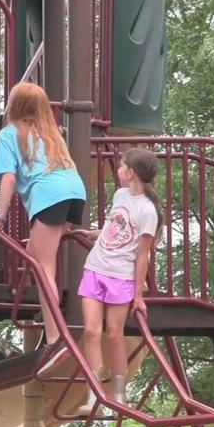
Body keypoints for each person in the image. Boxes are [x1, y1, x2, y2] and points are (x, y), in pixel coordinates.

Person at [0, 82, 86, 354]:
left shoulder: (9, 134)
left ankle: (55, 338)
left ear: (14, 105)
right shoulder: (52, 134)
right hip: (75, 192)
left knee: (44, 269)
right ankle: (45, 314)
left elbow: (9, 178)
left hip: (49, 194)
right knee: (34, 252)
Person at [67, 148, 162, 413]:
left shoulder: (148, 211)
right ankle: (93, 395)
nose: (117, 168)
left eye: (121, 165)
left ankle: (118, 395)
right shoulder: (120, 195)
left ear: (131, 172)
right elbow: (116, 226)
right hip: (96, 268)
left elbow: (143, 256)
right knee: (91, 332)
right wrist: (96, 233)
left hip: (120, 276)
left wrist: (138, 296)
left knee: (115, 335)